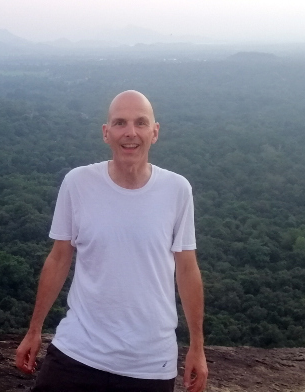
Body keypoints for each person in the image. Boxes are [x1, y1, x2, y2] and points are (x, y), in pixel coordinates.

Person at [15, 90, 207, 392]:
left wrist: (197, 346)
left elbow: (187, 269)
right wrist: (34, 329)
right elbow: (59, 257)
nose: (130, 133)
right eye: (120, 123)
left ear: (155, 132)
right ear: (106, 133)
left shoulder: (177, 190)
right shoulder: (78, 183)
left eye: (141, 123)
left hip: (149, 363)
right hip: (77, 351)